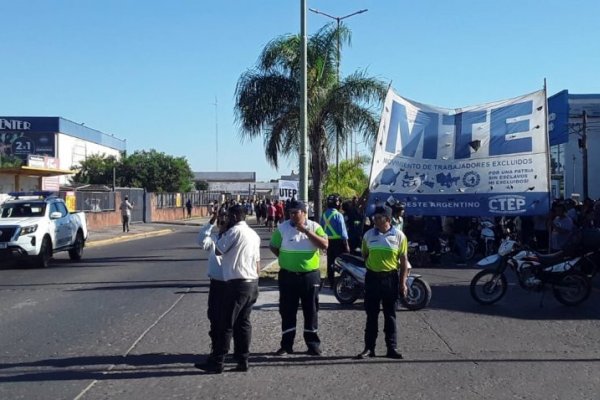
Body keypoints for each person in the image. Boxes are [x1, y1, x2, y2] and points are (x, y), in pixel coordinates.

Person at [196, 204, 261, 374]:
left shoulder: (234, 232)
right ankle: (243, 360)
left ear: (233, 217)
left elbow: (218, 251)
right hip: (251, 283)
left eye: (228, 216)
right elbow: (257, 262)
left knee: (226, 324)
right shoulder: (253, 234)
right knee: (243, 324)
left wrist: (223, 234)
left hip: (237, 284)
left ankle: (217, 362)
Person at [270, 200, 328, 356]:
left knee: (311, 310)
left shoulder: (315, 227)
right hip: (288, 276)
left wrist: (307, 232)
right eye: (291, 213)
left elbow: (324, 245)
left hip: (310, 276)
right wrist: (285, 260)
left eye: (296, 212)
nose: (292, 215)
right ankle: (286, 345)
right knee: (287, 310)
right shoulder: (282, 228)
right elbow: (273, 246)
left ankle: (313, 344)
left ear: (304, 213)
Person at [356, 205, 408, 360]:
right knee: (371, 315)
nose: (375, 220)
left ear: (387, 219)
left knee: (390, 315)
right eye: (374, 217)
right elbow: (365, 255)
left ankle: (392, 348)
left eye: (379, 217)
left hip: (390, 278)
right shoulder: (368, 235)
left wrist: (402, 283)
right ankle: (369, 348)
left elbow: (404, 261)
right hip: (372, 278)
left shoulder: (399, 236)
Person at [196, 207, 227, 369]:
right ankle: (216, 350)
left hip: (231, 283)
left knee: (231, 321)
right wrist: (211, 222)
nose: (221, 224)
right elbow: (201, 241)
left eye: (224, 221)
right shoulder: (214, 238)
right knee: (214, 318)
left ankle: (232, 353)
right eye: (220, 221)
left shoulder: (235, 238)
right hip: (216, 283)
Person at [320, 194, 350, 287]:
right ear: (337, 204)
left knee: (330, 262)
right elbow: (343, 232)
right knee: (343, 262)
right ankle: (343, 282)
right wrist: (347, 245)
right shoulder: (338, 215)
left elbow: (321, 230)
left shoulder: (324, 215)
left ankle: (331, 282)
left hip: (327, 242)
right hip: (338, 242)